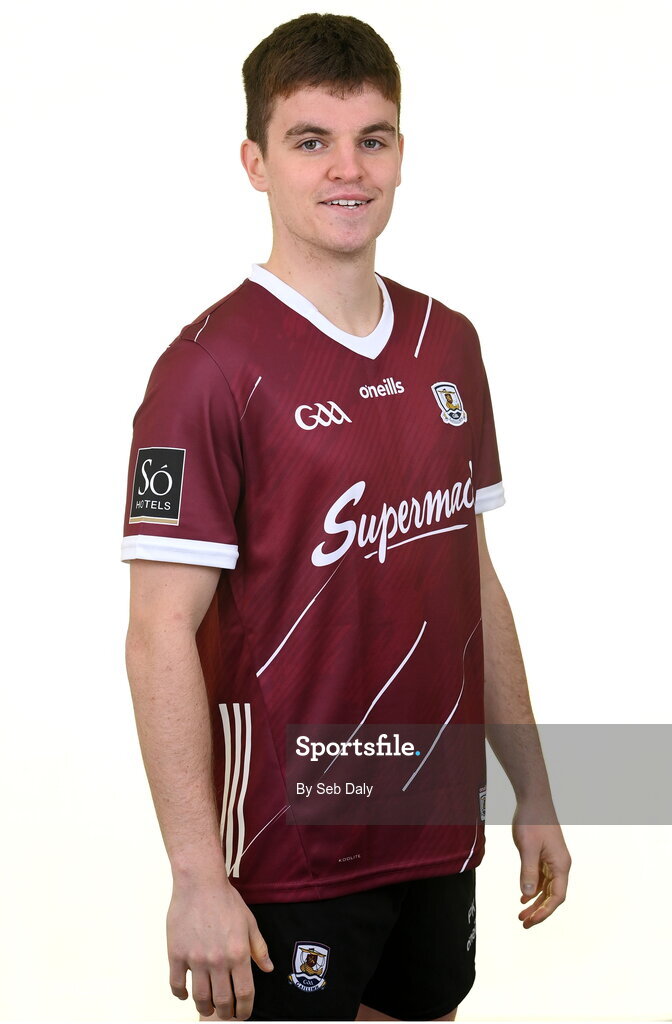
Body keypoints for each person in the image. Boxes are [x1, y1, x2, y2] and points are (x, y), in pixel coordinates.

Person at [122, 12, 571, 1022]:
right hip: (292, 842)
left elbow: (473, 579)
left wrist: (534, 784)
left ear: (401, 154)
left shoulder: (448, 343)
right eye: (310, 140)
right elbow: (157, 634)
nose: (347, 169)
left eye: (372, 138)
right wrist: (197, 875)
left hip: (435, 820)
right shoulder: (208, 369)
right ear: (256, 161)